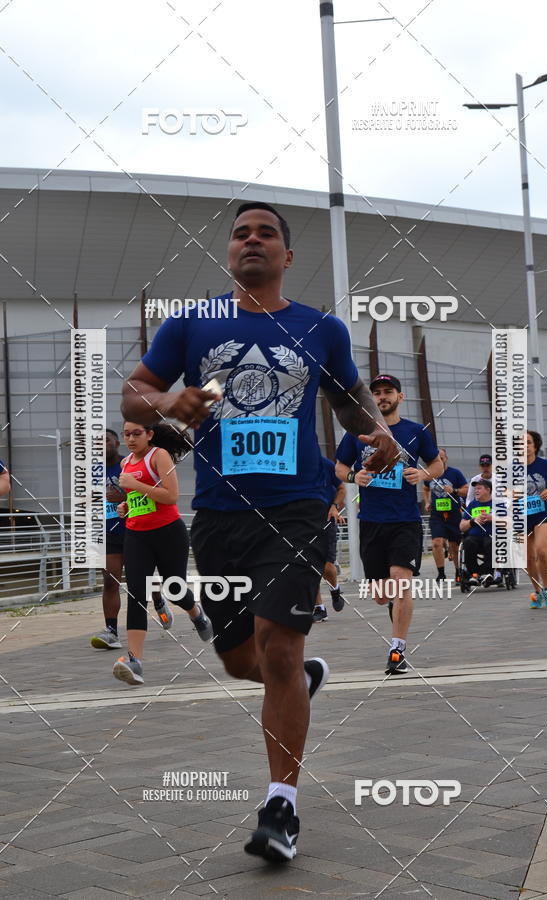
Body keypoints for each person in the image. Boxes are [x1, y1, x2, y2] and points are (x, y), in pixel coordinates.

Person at [121, 201, 398, 862]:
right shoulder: (191, 324)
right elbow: (134, 390)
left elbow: (348, 398)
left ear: (287, 255)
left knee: (280, 650)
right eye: (241, 232)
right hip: (220, 515)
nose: (252, 240)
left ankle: (282, 808)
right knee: (242, 658)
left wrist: (378, 432)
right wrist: (165, 402)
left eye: (266, 232)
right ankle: (300, 681)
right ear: (228, 251)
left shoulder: (321, 328)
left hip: (298, 507)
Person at [335, 373, 443, 676]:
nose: (382, 397)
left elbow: (437, 463)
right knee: (382, 594)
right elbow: (339, 467)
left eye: (388, 392)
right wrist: (353, 477)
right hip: (370, 521)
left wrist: (422, 475)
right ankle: (394, 614)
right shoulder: (357, 433)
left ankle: (397, 649)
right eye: (377, 393)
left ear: (400, 397)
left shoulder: (415, 431)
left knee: (400, 580)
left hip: (404, 520)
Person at [112, 422, 213, 686]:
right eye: (127, 434)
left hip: (168, 532)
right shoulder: (125, 465)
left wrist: (134, 483)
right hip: (136, 535)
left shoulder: (158, 456)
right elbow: (137, 499)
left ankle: (196, 613)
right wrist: (124, 506)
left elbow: (170, 496)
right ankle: (135, 661)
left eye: (137, 433)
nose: (131, 439)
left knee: (174, 589)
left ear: (149, 434)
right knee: (136, 594)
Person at [91, 429, 126, 650]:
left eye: (105, 439)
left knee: (142, 580)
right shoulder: (91, 472)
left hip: (134, 528)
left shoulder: (128, 464)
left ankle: (159, 601)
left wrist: (123, 496)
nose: (101, 444)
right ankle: (111, 632)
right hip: (108, 532)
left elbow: (150, 493)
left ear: (116, 442)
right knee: (110, 582)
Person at [525, 431, 547, 608]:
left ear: (535, 446)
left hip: (543, 513)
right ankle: (537, 592)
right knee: (528, 558)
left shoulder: (545, 464)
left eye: (528, 443)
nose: (524, 446)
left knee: (540, 550)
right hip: (521, 516)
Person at [423, 449, 467, 583]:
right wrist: (427, 501)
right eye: (437, 459)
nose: (439, 461)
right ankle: (441, 573)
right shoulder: (429, 474)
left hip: (454, 512)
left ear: (446, 458)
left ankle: (459, 572)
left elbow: (466, 490)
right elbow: (425, 488)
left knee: (454, 545)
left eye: (441, 458)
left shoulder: (455, 473)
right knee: (436, 543)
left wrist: (454, 490)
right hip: (437, 513)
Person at [312, 456, 346, 623]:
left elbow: (341, 489)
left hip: (326, 520)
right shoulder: (290, 465)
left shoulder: (326, 465)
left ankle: (335, 588)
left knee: (326, 567)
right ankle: (319, 607)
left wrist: (335, 506)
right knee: (309, 567)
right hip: (303, 523)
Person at [459, 480, 494, 586]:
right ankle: (474, 573)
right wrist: (473, 521)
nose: (476, 491)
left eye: (479, 488)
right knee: (468, 542)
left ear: (488, 490)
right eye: (475, 489)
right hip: (474, 537)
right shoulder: (472, 505)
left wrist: (492, 518)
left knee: (492, 543)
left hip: (491, 536)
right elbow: (461, 526)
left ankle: (486, 572)